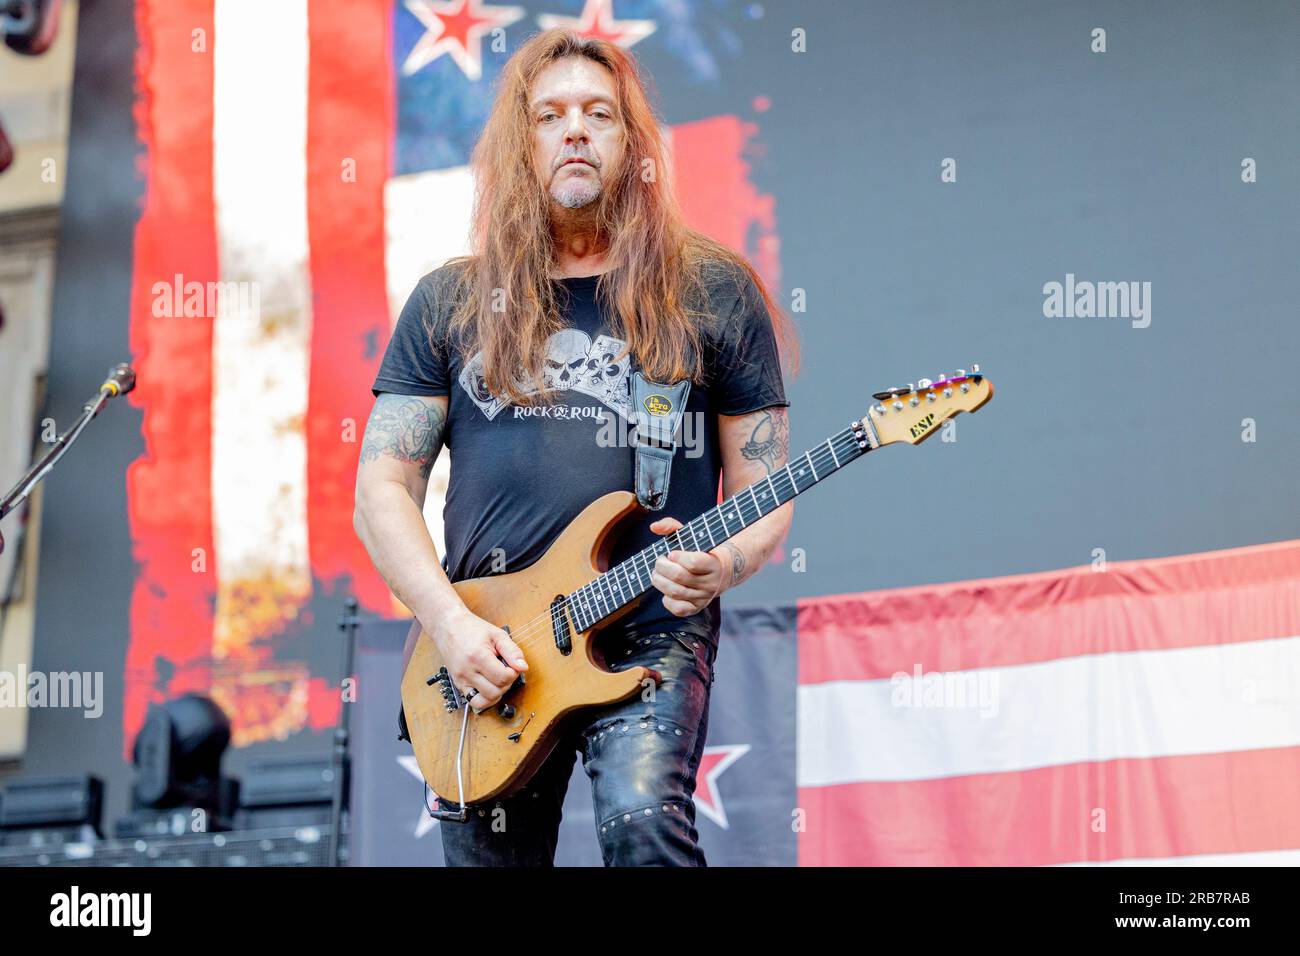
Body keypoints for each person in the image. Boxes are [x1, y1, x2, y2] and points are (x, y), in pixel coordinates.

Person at [354, 29, 797, 866]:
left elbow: (765, 477)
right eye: (550, 115)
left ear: (633, 143)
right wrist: (448, 624)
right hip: (486, 642)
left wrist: (727, 562)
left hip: (652, 621)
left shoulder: (707, 287)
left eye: (600, 113)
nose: (576, 131)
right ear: (520, 145)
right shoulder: (451, 299)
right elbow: (382, 487)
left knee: (642, 824)